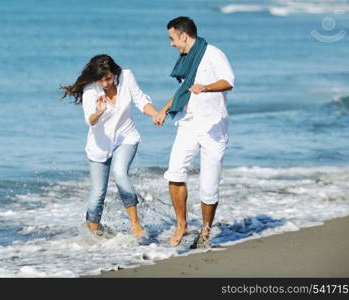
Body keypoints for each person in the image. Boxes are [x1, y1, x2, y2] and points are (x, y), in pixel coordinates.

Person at [154, 17, 235, 248]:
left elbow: (228, 81)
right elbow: (184, 89)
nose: (171, 44)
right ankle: (182, 225)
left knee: (209, 187)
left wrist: (206, 87)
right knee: (175, 173)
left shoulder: (213, 54)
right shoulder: (187, 58)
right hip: (189, 123)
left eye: (172, 38)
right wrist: (163, 109)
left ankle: (205, 233)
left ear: (184, 36)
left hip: (214, 128)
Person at [61, 54, 159, 238]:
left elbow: (141, 100)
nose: (105, 84)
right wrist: (99, 112)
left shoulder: (126, 76)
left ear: (114, 72)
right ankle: (92, 236)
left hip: (125, 137)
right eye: (100, 80)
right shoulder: (91, 90)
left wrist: (155, 114)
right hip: (100, 144)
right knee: (98, 194)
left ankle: (135, 225)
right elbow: (90, 120)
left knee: (120, 173)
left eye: (108, 78)